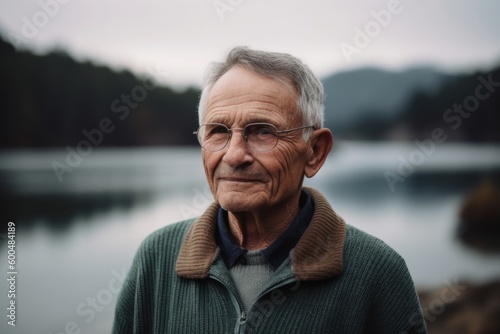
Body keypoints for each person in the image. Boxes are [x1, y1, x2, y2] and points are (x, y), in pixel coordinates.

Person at [112, 47, 427, 334]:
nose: (234, 156)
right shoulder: (156, 259)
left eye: (263, 132)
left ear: (315, 152)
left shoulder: (377, 273)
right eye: (218, 131)